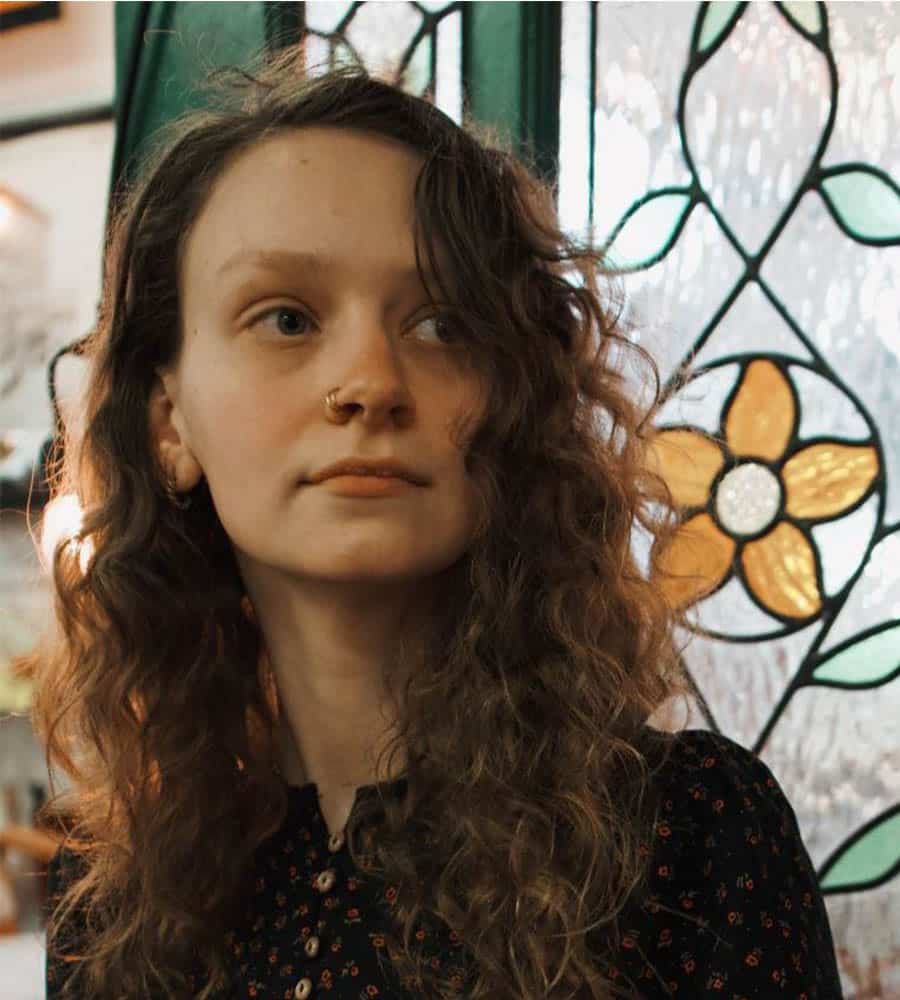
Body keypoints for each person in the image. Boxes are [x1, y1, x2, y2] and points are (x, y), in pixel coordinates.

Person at [14, 43, 844, 1000]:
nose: (370, 382)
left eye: (444, 324)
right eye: (286, 318)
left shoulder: (689, 842)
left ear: (514, 403)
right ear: (169, 421)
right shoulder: (112, 907)